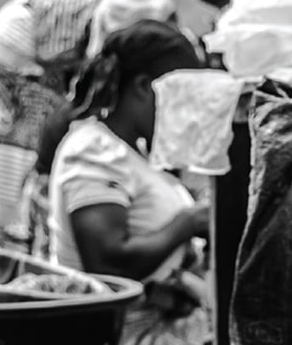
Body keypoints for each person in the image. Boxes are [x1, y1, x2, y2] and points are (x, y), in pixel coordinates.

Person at [50, 19, 212, 345]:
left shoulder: (133, 154)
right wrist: (189, 222)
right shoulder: (94, 150)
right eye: (180, 95)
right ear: (142, 87)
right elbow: (107, 263)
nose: (187, 112)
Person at [0, 0, 177, 246]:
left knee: (16, 127)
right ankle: (5, 228)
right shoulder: (115, 25)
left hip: (13, 34)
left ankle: (7, 226)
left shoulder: (120, 9)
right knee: (26, 132)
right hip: (17, 41)